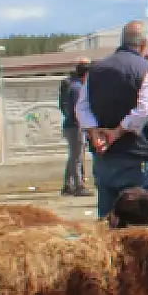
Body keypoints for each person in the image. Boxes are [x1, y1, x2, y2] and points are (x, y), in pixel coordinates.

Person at [76, 21, 148, 218]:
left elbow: (81, 107)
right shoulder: (145, 69)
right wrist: (118, 131)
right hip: (135, 154)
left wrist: (94, 132)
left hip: (104, 155)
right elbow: (145, 109)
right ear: (144, 44)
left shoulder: (96, 69)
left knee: (107, 219)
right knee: (138, 220)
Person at [57, 59, 90, 196]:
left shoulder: (74, 86)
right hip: (75, 127)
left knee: (73, 156)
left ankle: (68, 185)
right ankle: (78, 186)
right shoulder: (78, 88)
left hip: (71, 126)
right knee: (77, 157)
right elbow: (78, 111)